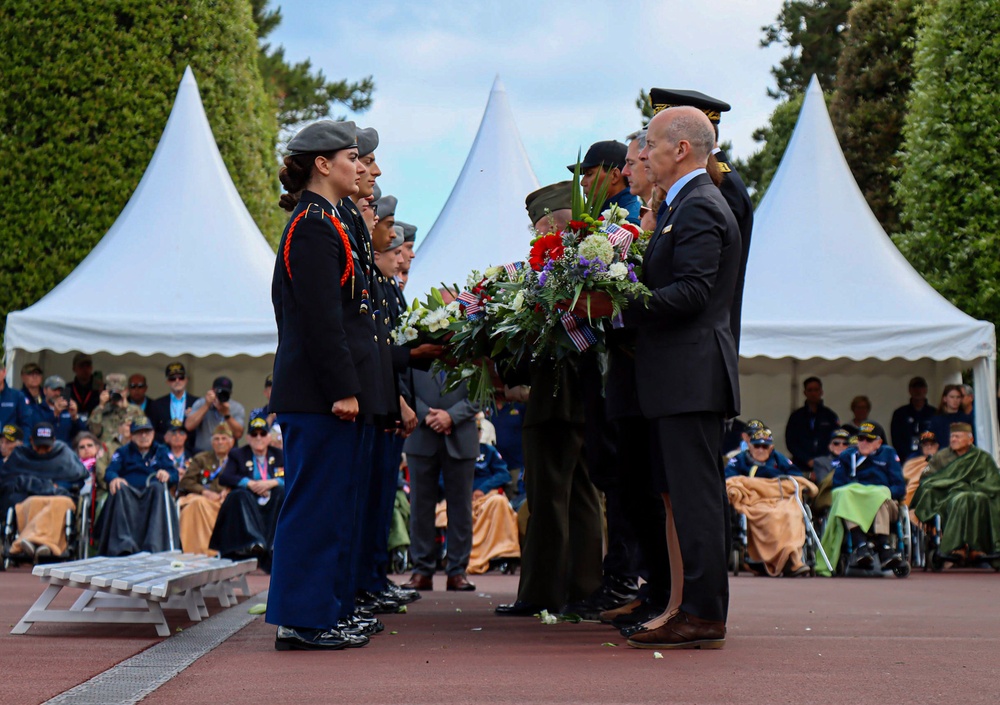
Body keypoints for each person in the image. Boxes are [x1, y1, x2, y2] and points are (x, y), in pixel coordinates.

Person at [589, 106, 740, 649]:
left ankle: (703, 612)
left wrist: (619, 306)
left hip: (691, 374)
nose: (644, 153)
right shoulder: (682, 205)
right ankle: (683, 604)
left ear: (681, 149)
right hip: (678, 375)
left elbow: (695, 293)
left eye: (651, 143)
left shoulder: (699, 206)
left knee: (694, 498)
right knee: (678, 496)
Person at [268, 119, 382, 651]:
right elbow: (318, 319)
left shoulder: (324, 220)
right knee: (314, 506)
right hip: (317, 395)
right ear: (322, 163)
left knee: (330, 506)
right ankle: (303, 618)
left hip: (320, 393)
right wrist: (342, 387)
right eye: (351, 156)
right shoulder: (313, 224)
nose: (358, 166)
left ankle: (323, 610)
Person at [495, 182, 604, 619]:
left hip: (555, 402)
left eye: (538, 227)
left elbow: (542, 343)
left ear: (551, 224)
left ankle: (541, 593)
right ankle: (584, 588)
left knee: (547, 500)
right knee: (581, 497)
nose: (535, 237)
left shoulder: (557, 272)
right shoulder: (593, 265)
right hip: (584, 402)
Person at [648, 88, 754, 351]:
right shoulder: (711, 183)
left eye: (654, 143)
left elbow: (702, 281)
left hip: (698, 344)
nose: (646, 153)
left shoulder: (720, 186)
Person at [401, 362, 480, 592]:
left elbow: (482, 391)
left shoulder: (471, 344)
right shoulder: (414, 339)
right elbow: (403, 388)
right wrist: (426, 415)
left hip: (461, 434)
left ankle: (457, 571)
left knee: (461, 507)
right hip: (420, 432)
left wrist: (451, 416)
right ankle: (421, 570)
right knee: (420, 506)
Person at [725, 429, 814, 577]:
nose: (760, 450)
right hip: (754, 501)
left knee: (791, 514)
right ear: (749, 446)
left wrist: (772, 481)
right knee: (770, 515)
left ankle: (790, 558)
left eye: (765, 447)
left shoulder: (779, 459)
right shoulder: (739, 460)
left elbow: (797, 478)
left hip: (780, 498)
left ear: (771, 447)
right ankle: (779, 560)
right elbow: (729, 481)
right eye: (756, 446)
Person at [820, 422, 906, 573]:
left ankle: (883, 545)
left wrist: (879, 493)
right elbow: (838, 486)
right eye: (861, 439)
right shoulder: (847, 456)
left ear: (879, 442)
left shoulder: (888, 454)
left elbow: (899, 487)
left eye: (869, 439)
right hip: (855, 506)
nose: (864, 443)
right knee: (845, 495)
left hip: (885, 505)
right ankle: (860, 545)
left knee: (879, 495)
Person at [912, 423, 1000, 563]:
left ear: (970, 440)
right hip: (946, 499)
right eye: (952, 436)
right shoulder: (941, 457)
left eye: (958, 437)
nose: (953, 439)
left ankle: (978, 548)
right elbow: (927, 481)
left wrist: (971, 486)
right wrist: (955, 484)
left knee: (978, 498)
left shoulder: (982, 458)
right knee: (963, 499)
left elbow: (994, 483)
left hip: (979, 496)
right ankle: (955, 547)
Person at [0, 422, 87, 559]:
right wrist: (42, 486)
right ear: (31, 441)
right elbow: (8, 481)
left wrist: (60, 487)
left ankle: (32, 541)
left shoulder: (64, 455)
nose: (42, 450)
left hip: (60, 497)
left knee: (58, 504)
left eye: (46, 446)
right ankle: (43, 543)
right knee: (33, 502)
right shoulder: (21, 456)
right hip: (30, 497)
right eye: (38, 446)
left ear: (54, 441)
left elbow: (78, 480)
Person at [95, 417, 179, 556]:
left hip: (152, 494)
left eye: (147, 432)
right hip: (128, 494)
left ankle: (153, 545)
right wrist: (114, 478)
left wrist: (167, 475)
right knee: (119, 488)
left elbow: (174, 474)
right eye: (139, 432)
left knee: (158, 488)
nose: (144, 436)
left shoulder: (162, 451)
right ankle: (123, 545)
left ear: (153, 433)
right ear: (132, 435)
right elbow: (110, 471)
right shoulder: (122, 452)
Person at [211, 417, 285, 571]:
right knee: (239, 495)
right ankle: (255, 542)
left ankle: (273, 545)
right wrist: (249, 483)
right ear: (248, 438)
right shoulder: (238, 454)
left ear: (269, 437)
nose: (259, 437)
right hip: (249, 500)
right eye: (254, 434)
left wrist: (273, 482)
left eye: (262, 433)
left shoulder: (279, 455)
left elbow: (293, 475)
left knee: (281, 491)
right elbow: (226, 477)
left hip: (272, 498)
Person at [467, 418, 520, 574]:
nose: (475, 434)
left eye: (478, 431)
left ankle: (506, 552)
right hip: (461, 497)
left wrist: (483, 489)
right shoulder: (452, 450)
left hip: (486, 496)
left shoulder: (488, 451)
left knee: (499, 502)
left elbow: (503, 474)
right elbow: (442, 479)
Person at [177, 423, 233, 555]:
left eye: (224, 439)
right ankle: (195, 550)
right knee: (195, 504)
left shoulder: (236, 459)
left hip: (226, 500)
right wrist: (204, 492)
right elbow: (186, 482)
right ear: (212, 442)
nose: (220, 442)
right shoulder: (201, 458)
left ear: (232, 442)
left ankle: (212, 550)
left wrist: (229, 491)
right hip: (203, 498)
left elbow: (241, 478)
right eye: (216, 439)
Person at [567, 140, 641, 224]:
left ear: (614, 176)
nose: (582, 182)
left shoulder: (630, 223)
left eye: (589, 174)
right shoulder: (601, 216)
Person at [785, 377, 840, 475]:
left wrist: (821, 461)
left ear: (821, 392)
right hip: (801, 466)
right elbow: (791, 442)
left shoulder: (830, 416)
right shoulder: (796, 416)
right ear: (805, 393)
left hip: (825, 466)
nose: (813, 393)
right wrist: (807, 460)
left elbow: (836, 441)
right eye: (810, 390)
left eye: (816, 390)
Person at [185, 376, 246, 453]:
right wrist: (206, 405)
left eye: (225, 393)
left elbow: (238, 434)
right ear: (212, 390)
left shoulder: (236, 407)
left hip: (228, 455)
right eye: (219, 392)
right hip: (203, 454)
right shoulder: (201, 403)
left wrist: (227, 414)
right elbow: (189, 426)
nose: (222, 395)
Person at [149, 362, 200, 452]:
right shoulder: (157, 404)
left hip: (191, 450)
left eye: (181, 377)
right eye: (173, 378)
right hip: (164, 451)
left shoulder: (197, 403)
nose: (177, 381)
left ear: (186, 380)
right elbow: (151, 430)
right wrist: (164, 437)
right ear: (167, 382)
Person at [87, 373, 143, 446]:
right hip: (106, 453)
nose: (116, 394)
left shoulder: (135, 411)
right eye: (113, 392)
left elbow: (142, 434)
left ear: (126, 391)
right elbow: (94, 432)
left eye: (119, 392)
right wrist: (101, 405)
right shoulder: (101, 410)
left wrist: (124, 407)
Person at [890, 376, 936, 458]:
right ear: (910, 390)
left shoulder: (934, 413)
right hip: (906, 459)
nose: (918, 390)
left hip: (929, 458)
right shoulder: (900, 413)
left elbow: (938, 437)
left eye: (921, 387)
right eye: (914, 387)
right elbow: (896, 440)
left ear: (926, 390)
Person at [34, 376, 87, 444]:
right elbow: (38, 431)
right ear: (45, 391)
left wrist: (75, 417)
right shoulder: (36, 409)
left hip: (66, 452)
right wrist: (55, 415)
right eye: (54, 390)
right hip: (46, 450)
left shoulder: (68, 410)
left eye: (60, 390)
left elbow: (83, 435)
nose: (57, 393)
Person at [901, 431, 938, 509]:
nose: (929, 447)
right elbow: (904, 476)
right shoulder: (913, 461)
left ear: (936, 446)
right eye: (925, 445)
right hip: (915, 491)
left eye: (931, 445)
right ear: (921, 447)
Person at [1, 363, 32, 429]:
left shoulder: (17, 396)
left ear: (4, 372)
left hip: (11, 438)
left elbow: (26, 423)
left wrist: (23, 439)